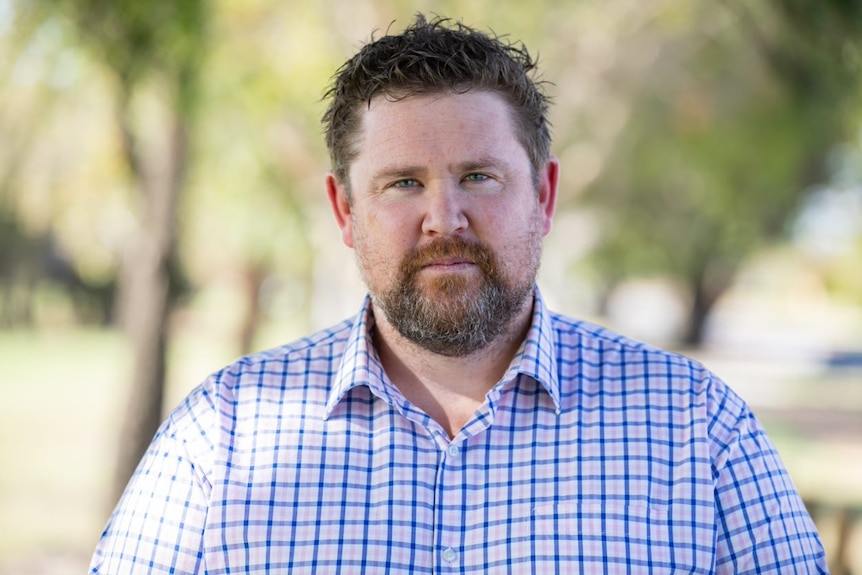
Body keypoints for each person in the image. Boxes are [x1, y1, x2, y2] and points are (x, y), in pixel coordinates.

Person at [90, 14, 828, 574]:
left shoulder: (698, 431)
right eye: (403, 182)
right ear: (345, 209)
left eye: (479, 175)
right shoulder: (220, 439)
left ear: (543, 193)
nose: (444, 217)